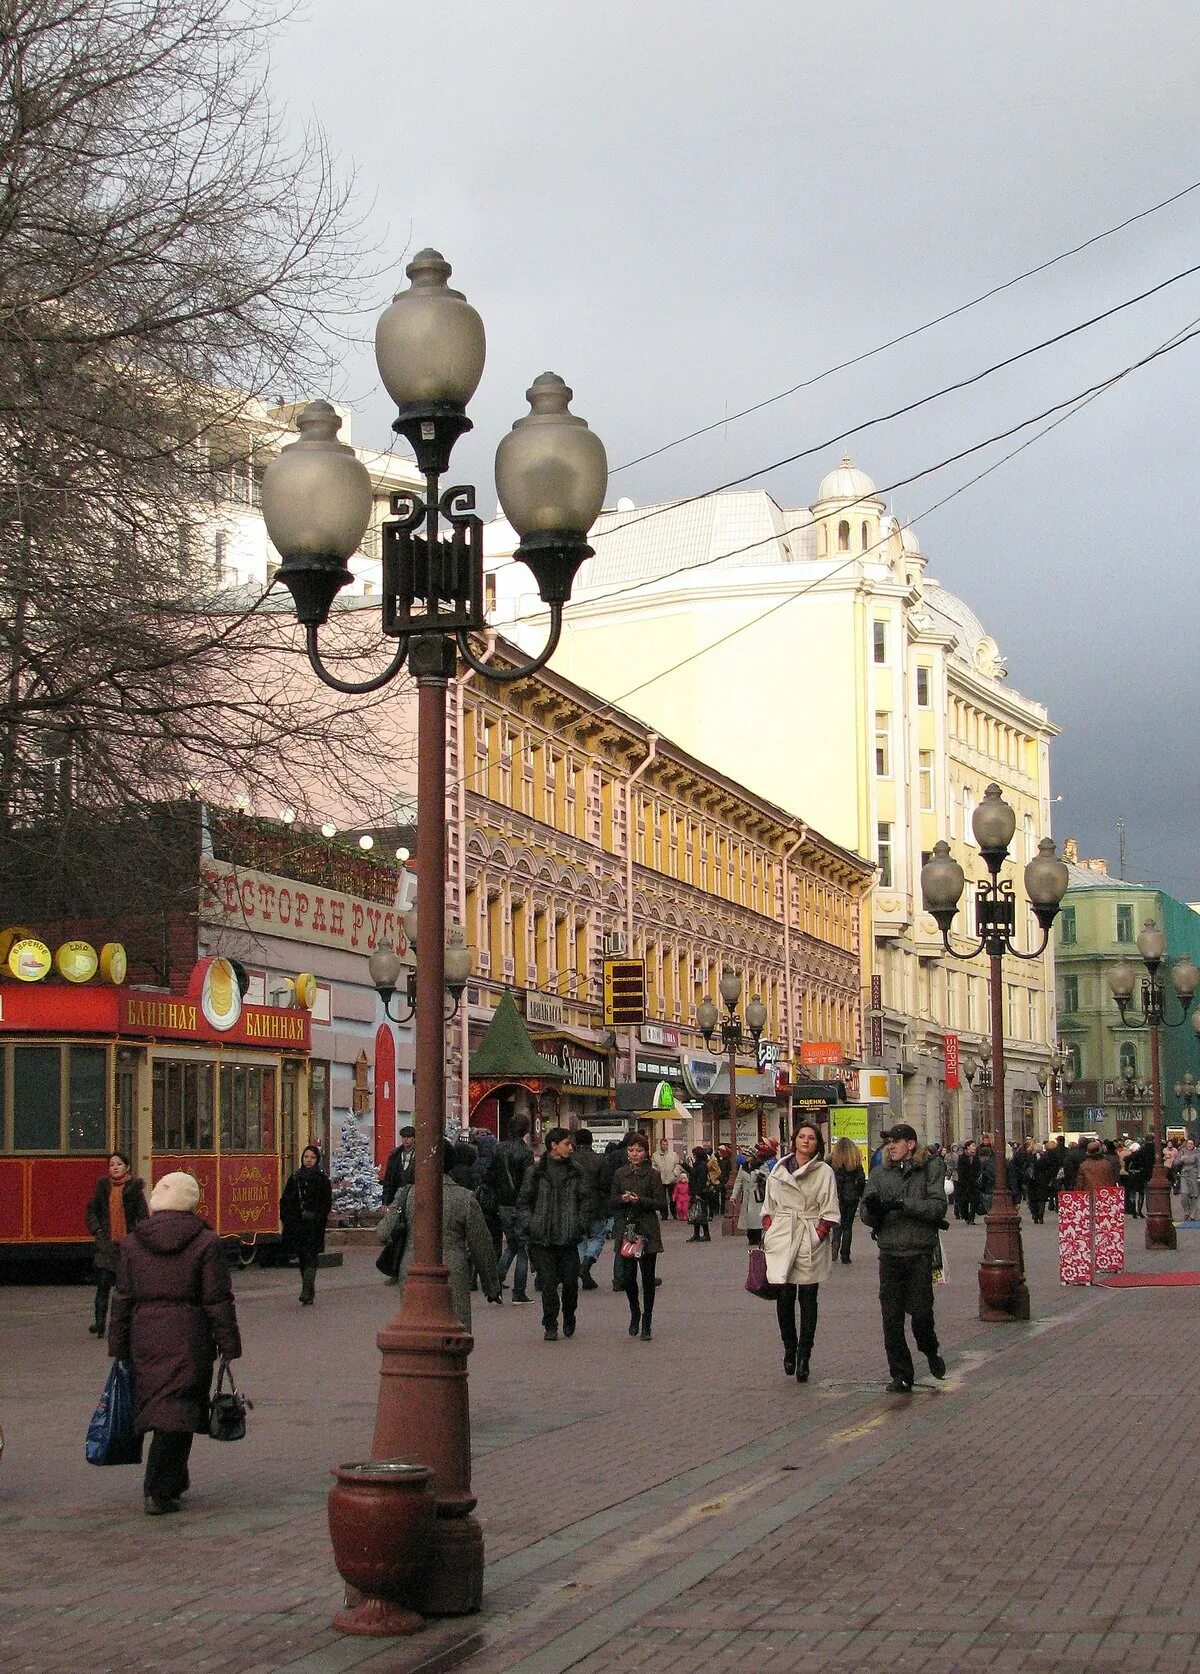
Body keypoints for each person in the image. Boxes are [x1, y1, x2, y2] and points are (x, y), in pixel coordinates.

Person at [107, 1171, 241, 1516]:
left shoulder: (135, 1242)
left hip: (144, 1334)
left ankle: (173, 1481)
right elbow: (217, 1299)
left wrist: (118, 1344)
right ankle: (158, 1488)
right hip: (189, 1334)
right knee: (179, 1408)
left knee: (162, 1405)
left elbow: (122, 1297)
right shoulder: (206, 1242)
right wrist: (229, 1343)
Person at [859, 1123, 949, 1395]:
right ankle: (901, 1375)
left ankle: (930, 1350)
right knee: (891, 1319)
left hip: (919, 1253)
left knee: (921, 1315)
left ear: (911, 1144)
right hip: (890, 1254)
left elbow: (937, 1208)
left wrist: (903, 1204)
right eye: (888, 1143)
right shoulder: (879, 1173)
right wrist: (873, 1212)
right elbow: (865, 1213)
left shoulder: (930, 1169)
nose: (891, 1147)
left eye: (896, 1142)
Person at [762, 1121, 840, 1382]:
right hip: (783, 1235)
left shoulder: (824, 1172)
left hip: (808, 1234)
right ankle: (789, 1347)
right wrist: (771, 1229)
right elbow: (768, 1204)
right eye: (802, 1137)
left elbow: (830, 1208)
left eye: (812, 1138)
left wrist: (817, 1235)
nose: (806, 1141)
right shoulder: (779, 1169)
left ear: (818, 1143)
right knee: (783, 1297)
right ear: (794, 1140)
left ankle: (805, 1355)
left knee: (808, 1298)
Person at [393, 1141, 501, 1328]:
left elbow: (383, 1232)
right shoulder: (465, 1198)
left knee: (416, 1329)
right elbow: (482, 1245)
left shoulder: (406, 1194)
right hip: (454, 1272)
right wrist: (491, 1286)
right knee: (455, 1331)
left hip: (411, 1271)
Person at [518, 1127, 587, 1341]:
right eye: (566, 1143)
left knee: (570, 1283)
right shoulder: (535, 1172)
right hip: (542, 1238)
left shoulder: (576, 1170)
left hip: (568, 1237)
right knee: (548, 1283)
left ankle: (569, 1315)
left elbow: (585, 1200)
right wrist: (530, 1224)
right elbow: (523, 1202)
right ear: (553, 1145)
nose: (570, 1147)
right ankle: (550, 1323)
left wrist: (580, 1222)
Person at [610, 1131, 668, 1340]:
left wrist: (640, 1200)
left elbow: (661, 1203)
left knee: (648, 1277)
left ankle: (647, 1320)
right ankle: (635, 1311)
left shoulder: (653, 1174)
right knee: (627, 1277)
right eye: (631, 1150)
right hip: (627, 1230)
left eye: (639, 1150)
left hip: (647, 1230)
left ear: (646, 1153)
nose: (634, 1154)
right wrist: (622, 1199)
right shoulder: (619, 1174)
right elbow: (611, 1201)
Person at [84, 1151, 149, 1338]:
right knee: (102, 1286)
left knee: (125, 1290)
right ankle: (99, 1324)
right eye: (112, 1164)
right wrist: (97, 1230)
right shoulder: (103, 1187)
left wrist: (139, 1238)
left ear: (127, 1167)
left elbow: (142, 1217)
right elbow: (91, 1211)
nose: (115, 1167)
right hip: (106, 1245)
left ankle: (122, 1325)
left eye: (119, 1164)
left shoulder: (134, 1189)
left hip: (127, 1246)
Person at [489, 1114, 536, 1304]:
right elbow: (529, 1182)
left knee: (512, 1245)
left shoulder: (498, 1148)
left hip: (503, 1203)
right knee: (523, 1248)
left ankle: (495, 1285)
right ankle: (519, 1292)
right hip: (521, 1204)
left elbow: (491, 1174)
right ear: (525, 1130)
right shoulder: (525, 1153)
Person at [279, 1145, 333, 1305]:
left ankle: (306, 1290)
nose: (308, 1160)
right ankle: (309, 1288)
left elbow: (326, 1202)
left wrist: (319, 1217)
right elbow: (286, 1200)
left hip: (314, 1224)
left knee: (311, 1255)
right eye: (306, 1157)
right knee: (303, 1257)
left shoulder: (322, 1179)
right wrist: (287, 1218)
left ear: (317, 1160)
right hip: (298, 1224)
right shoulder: (296, 1177)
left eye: (312, 1157)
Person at [573, 1129, 608, 1291]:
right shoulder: (599, 1159)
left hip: (575, 1204)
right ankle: (587, 1263)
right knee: (598, 1236)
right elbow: (604, 1184)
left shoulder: (570, 1159)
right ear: (591, 1141)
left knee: (580, 1238)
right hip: (596, 1204)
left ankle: (582, 1266)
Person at [828, 1137, 866, 1264]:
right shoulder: (854, 1161)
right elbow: (861, 1180)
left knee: (837, 1224)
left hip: (836, 1196)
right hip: (851, 1197)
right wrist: (860, 1194)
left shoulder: (833, 1161)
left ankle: (835, 1244)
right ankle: (845, 1255)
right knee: (847, 1226)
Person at [728, 1146, 772, 1247]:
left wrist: (760, 1173)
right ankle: (750, 1238)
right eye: (745, 1155)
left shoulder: (761, 1165)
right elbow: (738, 1181)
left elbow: (769, 1178)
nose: (746, 1157)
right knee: (748, 1218)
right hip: (747, 1196)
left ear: (753, 1156)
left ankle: (757, 1237)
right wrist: (733, 1195)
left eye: (748, 1155)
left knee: (756, 1218)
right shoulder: (743, 1166)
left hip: (757, 1196)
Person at [380, 1126, 416, 1205]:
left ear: (414, 1138)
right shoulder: (395, 1155)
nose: (405, 1140)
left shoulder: (419, 1155)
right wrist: (385, 1202)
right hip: (396, 1196)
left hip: (413, 1196)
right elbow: (388, 1179)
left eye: (408, 1137)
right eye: (403, 1137)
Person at [653, 1137, 684, 1219]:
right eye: (663, 1144)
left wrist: (675, 1173)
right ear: (660, 1145)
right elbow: (653, 1166)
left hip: (671, 1179)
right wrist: (657, 1174)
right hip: (660, 1179)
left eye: (666, 1144)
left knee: (673, 1197)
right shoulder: (655, 1155)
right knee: (662, 1198)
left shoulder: (673, 1154)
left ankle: (674, 1213)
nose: (665, 1146)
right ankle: (664, 1215)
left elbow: (678, 1165)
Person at [686, 1147, 713, 1242]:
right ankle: (696, 1234)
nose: (693, 1156)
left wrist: (697, 1193)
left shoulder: (701, 1165)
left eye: (694, 1154)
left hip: (700, 1192)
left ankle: (706, 1234)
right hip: (695, 1191)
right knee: (696, 1212)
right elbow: (693, 1173)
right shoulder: (698, 1164)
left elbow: (700, 1179)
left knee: (701, 1212)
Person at [955, 1140, 980, 1226]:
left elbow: (978, 1169)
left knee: (974, 1201)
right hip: (964, 1183)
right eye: (972, 1145)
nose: (974, 1147)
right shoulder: (962, 1158)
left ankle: (972, 1218)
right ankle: (966, 1216)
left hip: (974, 1183)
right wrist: (963, 1180)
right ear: (967, 1147)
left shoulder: (976, 1158)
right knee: (964, 1201)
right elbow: (960, 1171)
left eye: (974, 1145)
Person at [1176, 1138, 1200, 1222]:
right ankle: (1186, 1212)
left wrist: (1199, 1176)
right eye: (1188, 1143)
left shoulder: (1197, 1153)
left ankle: (1192, 1214)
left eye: (1191, 1144)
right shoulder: (1182, 1151)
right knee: (1184, 1195)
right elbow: (1175, 1163)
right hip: (1184, 1174)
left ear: (1194, 1145)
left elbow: (1199, 1164)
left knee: (1194, 1195)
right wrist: (1180, 1160)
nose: (1189, 1145)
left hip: (1194, 1174)